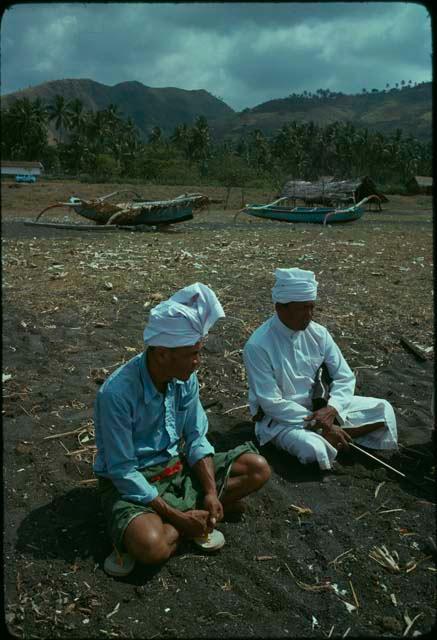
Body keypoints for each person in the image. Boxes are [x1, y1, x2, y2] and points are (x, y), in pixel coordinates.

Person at [94, 282, 271, 576]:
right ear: (163, 354)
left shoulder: (184, 377)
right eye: (192, 353)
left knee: (257, 468)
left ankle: (197, 512)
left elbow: (196, 437)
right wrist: (178, 517)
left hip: (176, 469)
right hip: (134, 482)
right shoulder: (117, 394)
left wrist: (212, 491)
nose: (197, 361)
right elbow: (122, 471)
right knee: (151, 546)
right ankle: (188, 520)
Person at [243, 267, 398, 473]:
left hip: (321, 411)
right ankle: (331, 436)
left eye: (312, 307)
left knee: (383, 410)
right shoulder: (258, 345)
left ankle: (335, 434)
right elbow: (271, 403)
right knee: (313, 450)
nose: (310, 315)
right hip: (283, 420)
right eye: (303, 308)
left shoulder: (318, 334)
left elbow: (344, 377)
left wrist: (332, 409)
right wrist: (318, 424)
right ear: (281, 308)